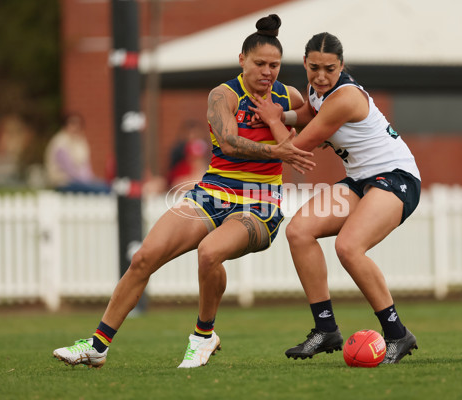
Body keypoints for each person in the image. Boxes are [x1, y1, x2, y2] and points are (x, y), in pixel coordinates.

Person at [52, 14, 314, 369]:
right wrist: (276, 149)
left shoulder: (289, 95)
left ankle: (203, 336)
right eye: (260, 64)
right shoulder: (224, 95)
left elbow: (314, 121)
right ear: (242, 61)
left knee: (209, 253)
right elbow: (229, 143)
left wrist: (284, 122)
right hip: (212, 193)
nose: (268, 72)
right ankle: (98, 345)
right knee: (144, 257)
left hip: (261, 204)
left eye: (275, 65)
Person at [250, 32, 421, 364]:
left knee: (348, 247)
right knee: (299, 232)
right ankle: (325, 330)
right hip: (361, 181)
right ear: (305, 63)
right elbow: (308, 114)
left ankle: (397, 334)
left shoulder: (344, 97)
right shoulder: (319, 91)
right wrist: (280, 115)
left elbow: (297, 148)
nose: (321, 76)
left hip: (397, 179)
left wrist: (271, 120)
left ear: (341, 66)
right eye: (314, 68)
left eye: (329, 68)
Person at [44, 113, 111, 194]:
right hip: (64, 182)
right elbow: (69, 169)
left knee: (106, 186)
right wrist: (87, 181)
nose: (76, 127)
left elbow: (85, 166)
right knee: (102, 190)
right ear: (65, 125)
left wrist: (90, 179)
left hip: (81, 181)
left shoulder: (80, 141)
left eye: (78, 124)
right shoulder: (60, 142)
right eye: (72, 123)